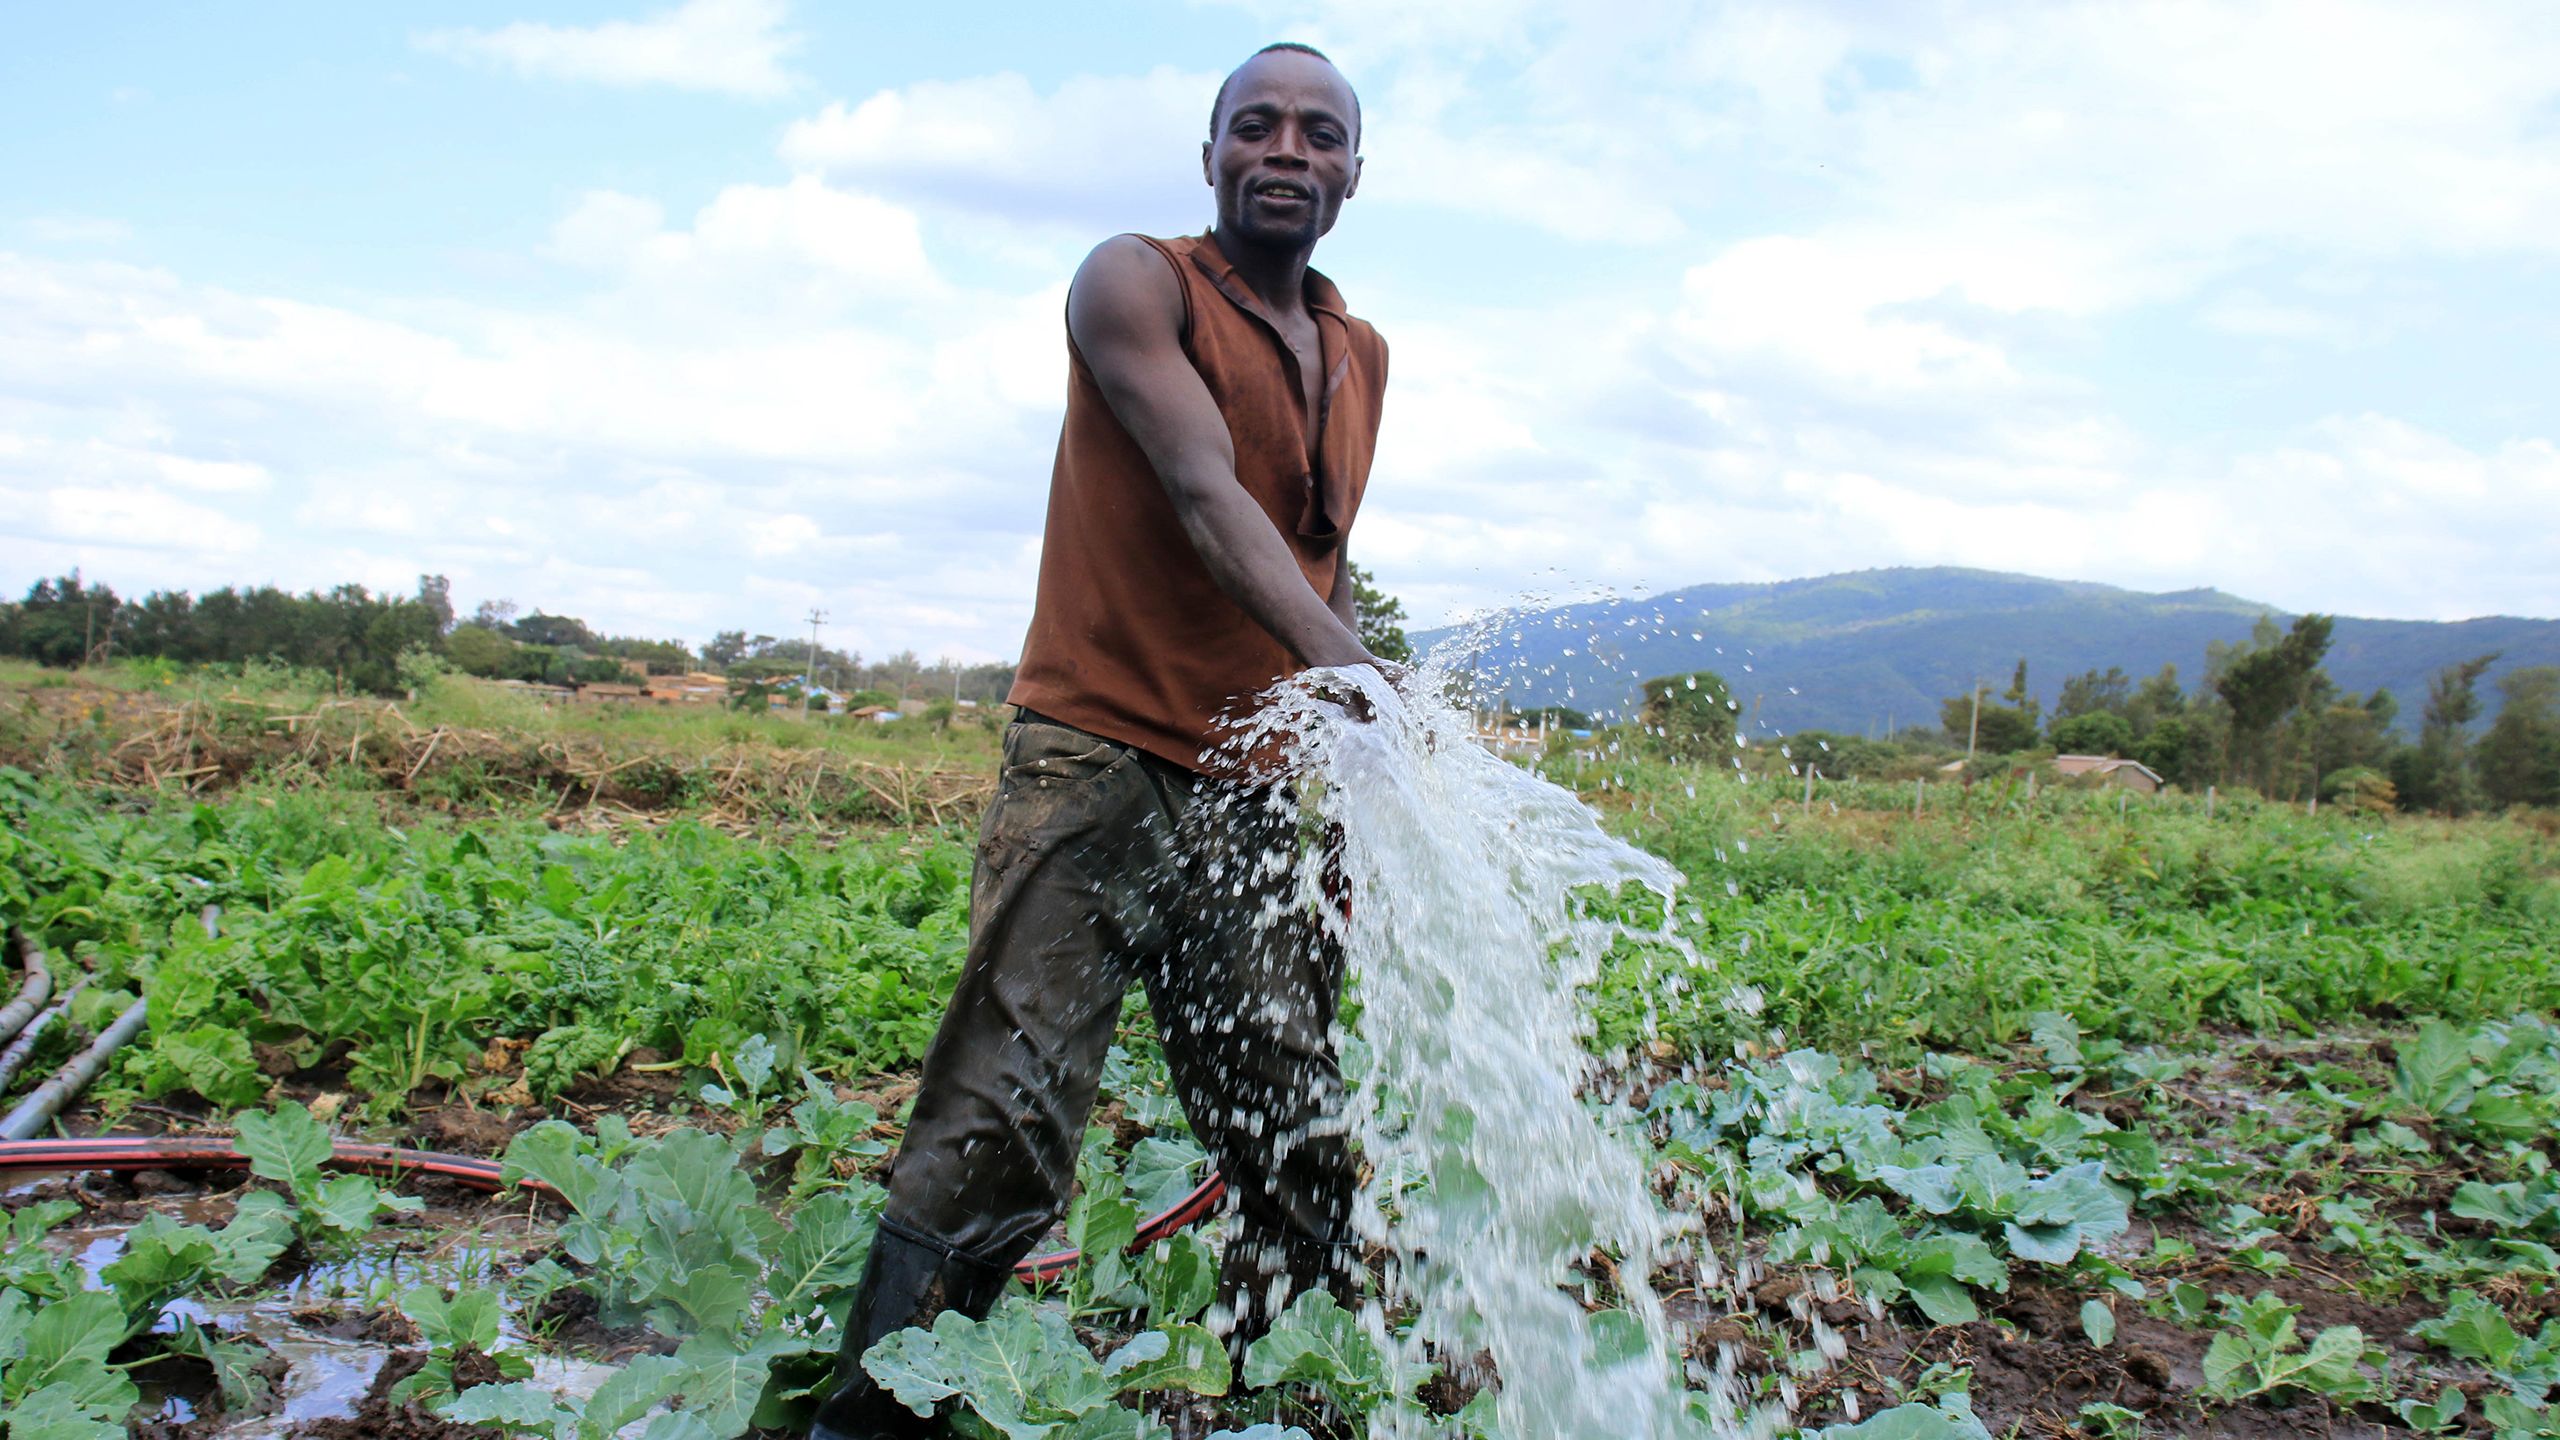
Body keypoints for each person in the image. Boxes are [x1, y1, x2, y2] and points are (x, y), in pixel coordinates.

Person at [808, 41, 1396, 1440]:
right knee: (1004, 1118)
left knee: (1293, 1122)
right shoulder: (1136, 284)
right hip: (1099, 758)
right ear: (1210, 156)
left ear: (1354, 175)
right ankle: (867, 1421)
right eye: (1256, 127)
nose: (1286, 151)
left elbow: (1323, 567)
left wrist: (1358, 764)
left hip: (1255, 790)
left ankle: (1283, 1394)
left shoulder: (1360, 352)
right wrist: (1378, 688)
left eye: (1319, 134)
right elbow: (1203, 494)